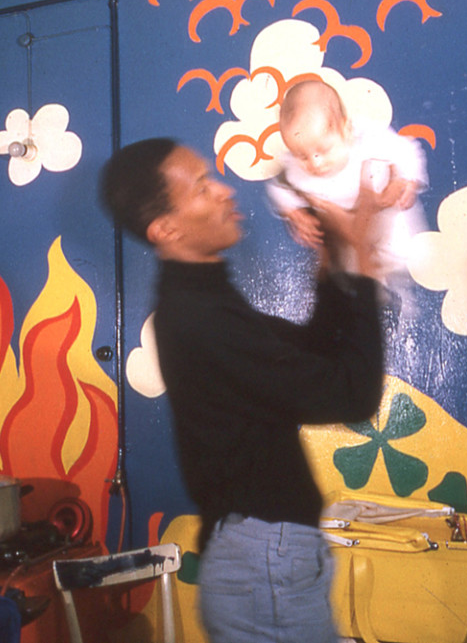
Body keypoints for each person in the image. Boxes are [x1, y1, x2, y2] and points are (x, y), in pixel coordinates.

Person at [99, 137, 389, 643]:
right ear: (165, 228)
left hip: (264, 560)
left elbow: (315, 353)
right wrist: (362, 254)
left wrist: (333, 251)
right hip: (264, 562)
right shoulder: (200, 318)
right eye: (203, 186)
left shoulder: (205, 302)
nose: (226, 192)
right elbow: (352, 394)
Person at [267, 77, 426, 276]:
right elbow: (279, 188)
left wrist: (405, 180)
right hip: (345, 233)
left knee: (400, 256)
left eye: (323, 151)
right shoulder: (296, 170)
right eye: (302, 156)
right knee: (350, 271)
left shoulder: (367, 141)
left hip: (386, 214)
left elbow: (408, 150)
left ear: (346, 128)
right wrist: (294, 213)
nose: (315, 164)